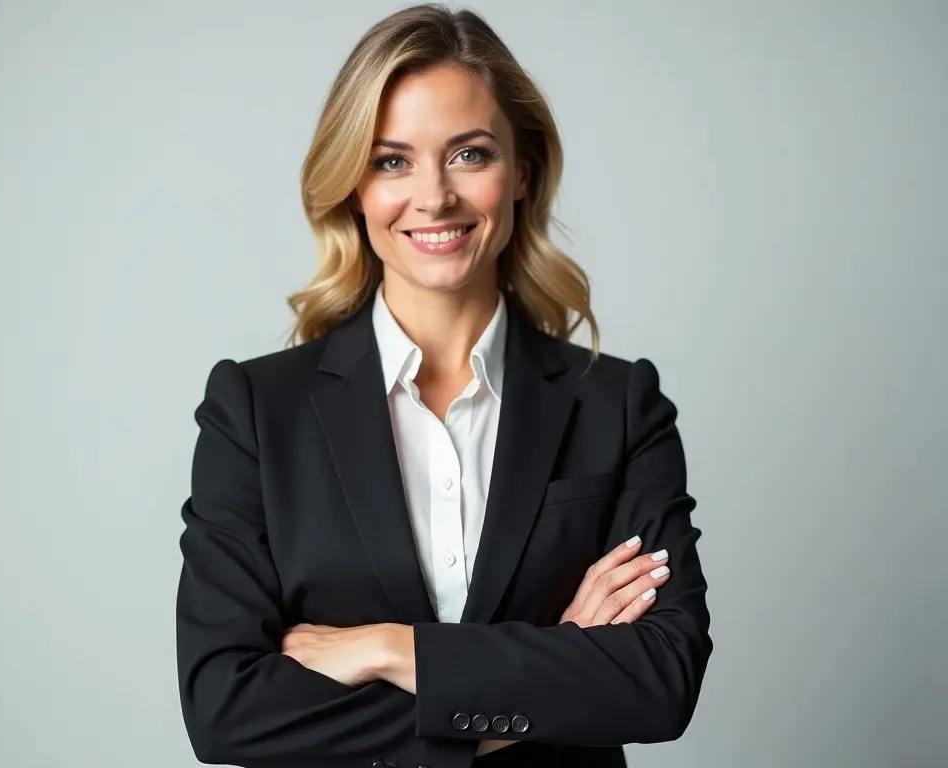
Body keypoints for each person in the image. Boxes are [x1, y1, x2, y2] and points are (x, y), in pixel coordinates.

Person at [175, 4, 712, 767]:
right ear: (352, 187)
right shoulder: (257, 413)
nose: (433, 197)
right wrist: (547, 673)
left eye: (469, 155)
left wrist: (390, 651)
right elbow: (225, 710)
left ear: (521, 170)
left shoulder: (618, 407)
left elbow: (661, 681)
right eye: (391, 160)